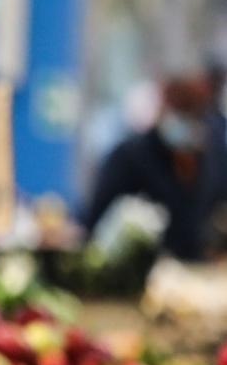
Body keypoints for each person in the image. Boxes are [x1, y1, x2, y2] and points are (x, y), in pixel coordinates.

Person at [84, 74, 227, 261]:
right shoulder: (130, 156)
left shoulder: (213, 159)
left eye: (192, 115)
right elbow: (95, 220)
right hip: (137, 272)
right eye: (178, 113)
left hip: (196, 273)